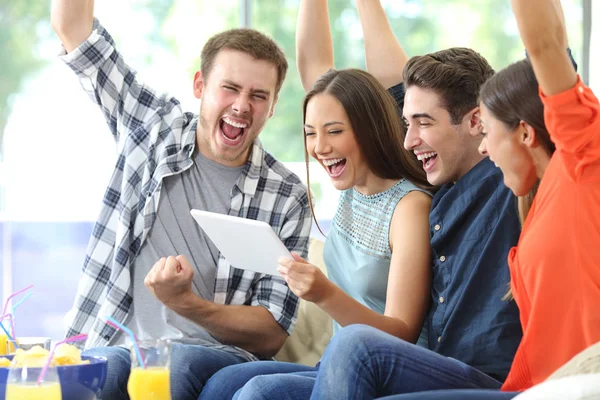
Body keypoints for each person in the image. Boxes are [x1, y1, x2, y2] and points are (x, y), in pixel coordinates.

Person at [201, 0, 523, 399]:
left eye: (423, 123)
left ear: (477, 122)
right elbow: (327, 80)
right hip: (431, 363)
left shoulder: (508, 176)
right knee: (228, 382)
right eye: (407, 122)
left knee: (349, 348)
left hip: (478, 371)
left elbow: (550, 72)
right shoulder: (429, 167)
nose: (410, 137)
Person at [50, 0, 313, 399]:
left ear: (273, 106)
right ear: (199, 86)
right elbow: (71, 26)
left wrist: (186, 303)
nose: (242, 105)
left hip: (213, 355)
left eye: (259, 95)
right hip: (116, 340)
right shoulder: (151, 126)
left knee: (172, 366)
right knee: (101, 371)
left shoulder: (285, 194)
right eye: (230, 88)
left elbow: (271, 331)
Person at [365, 0, 600, 398]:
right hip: (528, 386)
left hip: (562, 385)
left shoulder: (575, 162)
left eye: (489, 132)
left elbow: (547, 44)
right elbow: (393, 83)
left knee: (361, 350)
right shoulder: (527, 201)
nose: (486, 149)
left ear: (523, 133)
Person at [200, 66, 435, 399]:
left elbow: (401, 334)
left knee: (260, 392)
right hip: (335, 364)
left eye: (335, 131)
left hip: (385, 373)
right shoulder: (352, 190)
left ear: (371, 129)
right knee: (223, 382)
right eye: (311, 133)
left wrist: (323, 293)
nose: (320, 147)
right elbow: (316, 68)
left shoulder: (409, 206)